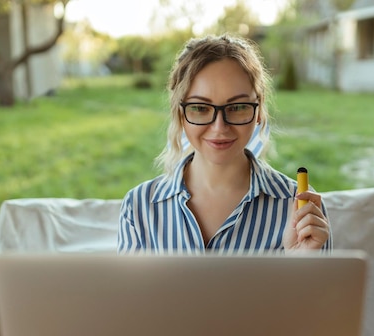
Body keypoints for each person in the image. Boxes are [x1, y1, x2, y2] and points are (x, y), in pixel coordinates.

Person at [118, 34, 332, 254]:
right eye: (200, 108)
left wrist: (302, 264)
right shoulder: (139, 207)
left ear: (258, 110)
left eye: (238, 107)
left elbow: (323, 290)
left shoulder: (301, 211)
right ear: (180, 113)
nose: (219, 128)